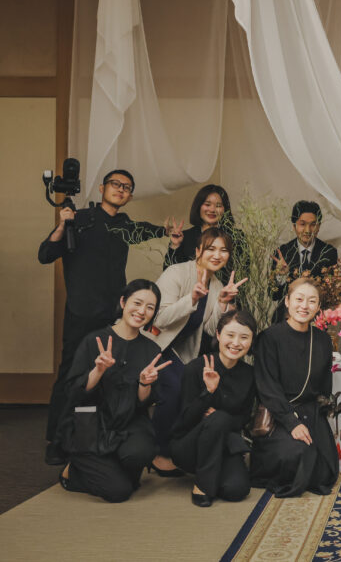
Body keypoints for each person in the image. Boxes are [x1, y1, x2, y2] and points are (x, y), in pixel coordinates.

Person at [39, 169, 170, 465]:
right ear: (102, 188)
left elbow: (147, 231)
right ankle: (57, 441)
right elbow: (45, 254)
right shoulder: (80, 218)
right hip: (81, 311)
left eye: (127, 187)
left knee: (105, 375)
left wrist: (167, 232)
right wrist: (62, 225)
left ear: (130, 196)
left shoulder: (125, 225)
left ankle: (95, 438)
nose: (120, 189)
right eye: (115, 184)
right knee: (71, 375)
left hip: (113, 315)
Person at [55, 280, 171, 502]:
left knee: (141, 453)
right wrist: (98, 371)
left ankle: (106, 466)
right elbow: (74, 393)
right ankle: (72, 470)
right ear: (123, 302)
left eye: (150, 307)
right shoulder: (94, 340)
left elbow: (144, 403)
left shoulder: (151, 349)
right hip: (90, 422)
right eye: (137, 303)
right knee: (120, 491)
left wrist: (144, 384)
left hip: (129, 421)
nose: (142, 311)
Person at [148, 227, 245, 476]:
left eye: (223, 250)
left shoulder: (217, 285)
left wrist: (222, 302)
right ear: (198, 250)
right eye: (211, 248)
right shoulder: (176, 273)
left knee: (195, 389)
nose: (217, 255)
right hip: (156, 346)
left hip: (183, 353)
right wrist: (191, 298)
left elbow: (211, 330)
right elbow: (158, 318)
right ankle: (160, 452)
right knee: (174, 387)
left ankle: (184, 449)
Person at [251, 278, 339, 497]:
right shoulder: (269, 338)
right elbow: (267, 387)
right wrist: (292, 422)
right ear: (287, 301)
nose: (304, 306)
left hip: (311, 411)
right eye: (299, 299)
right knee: (299, 454)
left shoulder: (323, 340)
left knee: (326, 471)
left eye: (312, 301)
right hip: (279, 413)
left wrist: (317, 418)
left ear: (318, 307)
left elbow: (324, 387)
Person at [170, 310, 257, 507]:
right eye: (230, 335)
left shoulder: (249, 375)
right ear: (218, 334)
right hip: (188, 446)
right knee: (219, 419)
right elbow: (184, 421)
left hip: (224, 444)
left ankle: (214, 473)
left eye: (244, 337)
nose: (236, 343)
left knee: (237, 490)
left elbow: (243, 419)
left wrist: (220, 419)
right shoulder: (195, 368)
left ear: (251, 341)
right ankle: (202, 485)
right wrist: (208, 392)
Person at [271, 201, 339, 323]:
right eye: (302, 224)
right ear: (294, 226)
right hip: (286, 318)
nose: (307, 230)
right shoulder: (283, 252)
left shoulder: (329, 252)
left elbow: (331, 294)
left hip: (317, 318)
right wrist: (281, 277)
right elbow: (273, 295)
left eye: (313, 225)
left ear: (319, 226)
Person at [164, 184, 236, 270]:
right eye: (207, 204)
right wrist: (175, 245)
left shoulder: (236, 236)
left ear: (225, 209)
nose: (212, 210)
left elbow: (243, 271)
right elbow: (169, 271)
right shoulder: (185, 237)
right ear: (198, 207)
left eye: (218, 206)